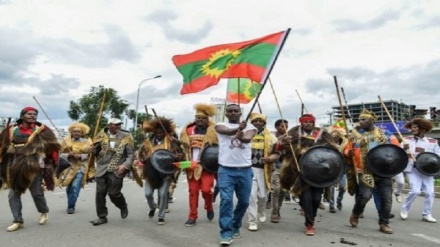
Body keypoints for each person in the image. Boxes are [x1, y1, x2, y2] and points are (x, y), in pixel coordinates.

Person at [0, 106, 61, 232]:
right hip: (15, 167)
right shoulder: (11, 130)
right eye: (29, 114)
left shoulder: (42, 130)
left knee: (37, 193)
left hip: (34, 167)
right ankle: (18, 220)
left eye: (35, 114)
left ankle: (43, 211)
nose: (33, 116)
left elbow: (54, 146)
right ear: (22, 116)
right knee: (13, 195)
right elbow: (2, 146)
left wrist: (52, 162)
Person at [279, 113, 337, 236]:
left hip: (318, 172)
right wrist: (285, 142)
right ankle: (309, 224)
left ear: (313, 123)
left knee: (316, 199)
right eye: (306, 122)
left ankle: (311, 216)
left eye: (310, 122)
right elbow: (279, 146)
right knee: (306, 199)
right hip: (300, 170)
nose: (308, 124)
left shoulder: (322, 133)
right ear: (301, 122)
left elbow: (332, 148)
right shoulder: (293, 132)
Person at [345, 109, 397, 234]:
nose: (360, 121)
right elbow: (347, 149)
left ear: (372, 120)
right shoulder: (355, 135)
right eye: (360, 119)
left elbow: (395, 149)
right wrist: (348, 152)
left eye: (364, 119)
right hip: (366, 170)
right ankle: (356, 213)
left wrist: (402, 147)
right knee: (365, 196)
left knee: (387, 199)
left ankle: (384, 223)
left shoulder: (385, 133)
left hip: (383, 171)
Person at [215, 104, 257, 246]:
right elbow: (225, 131)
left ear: (240, 113)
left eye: (236, 111)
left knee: (244, 202)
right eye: (230, 111)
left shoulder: (250, 126)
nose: (233, 113)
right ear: (226, 114)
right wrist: (237, 129)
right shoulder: (220, 125)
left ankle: (235, 223)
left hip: (245, 170)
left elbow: (247, 139)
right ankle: (226, 233)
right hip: (226, 170)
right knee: (226, 200)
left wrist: (241, 135)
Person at [89, 118, 134, 226]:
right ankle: (102, 216)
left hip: (117, 168)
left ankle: (122, 205)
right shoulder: (100, 135)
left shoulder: (126, 136)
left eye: (119, 124)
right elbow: (96, 151)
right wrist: (92, 150)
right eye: (116, 125)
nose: (118, 126)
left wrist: (125, 165)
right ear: (109, 125)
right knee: (100, 193)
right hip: (101, 168)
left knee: (114, 193)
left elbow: (131, 155)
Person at [138, 116, 182, 225]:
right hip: (150, 172)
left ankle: (161, 216)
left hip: (164, 173)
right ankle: (152, 207)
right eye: (157, 132)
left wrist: (178, 156)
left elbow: (179, 155)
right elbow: (141, 155)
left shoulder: (172, 141)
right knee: (148, 194)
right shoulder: (147, 142)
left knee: (163, 194)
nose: (159, 134)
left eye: (161, 132)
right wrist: (144, 158)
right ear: (154, 132)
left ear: (165, 132)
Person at [180, 103, 218, 227]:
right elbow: (183, 146)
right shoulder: (188, 130)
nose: (199, 120)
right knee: (193, 191)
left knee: (207, 190)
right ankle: (192, 216)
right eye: (198, 117)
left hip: (207, 166)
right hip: (192, 165)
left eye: (202, 118)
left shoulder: (214, 131)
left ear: (208, 119)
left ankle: (208, 206)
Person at [400, 118, 440, 223]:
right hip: (413, 169)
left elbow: (438, 156)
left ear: (422, 129)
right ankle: (405, 208)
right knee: (415, 191)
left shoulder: (433, 141)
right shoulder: (406, 140)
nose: (412, 129)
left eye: (415, 127)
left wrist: (429, 160)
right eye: (412, 127)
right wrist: (403, 148)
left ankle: (427, 214)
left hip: (427, 171)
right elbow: (399, 154)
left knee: (430, 193)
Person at [246, 113, 278, 231]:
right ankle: (252, 221)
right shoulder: (246, 135)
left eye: (260, 121)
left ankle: (261, 210)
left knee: (262, 196)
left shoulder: (272, 138)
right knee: (251, 196)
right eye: (255, 121)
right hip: (248, 169)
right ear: (252, 122)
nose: (258, 123)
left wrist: (271, 158)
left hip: (264, 170)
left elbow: (277, 152)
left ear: (264, 123)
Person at [58, 122, 93, 214]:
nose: (76, 133)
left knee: (75, 186)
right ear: (71, 132)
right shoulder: (66, 141)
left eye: (78, 131)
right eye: (74, 131)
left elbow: (91, 155)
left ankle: (71, 206)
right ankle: (71, 202)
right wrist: (68, 155)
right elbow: (60, 154)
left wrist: (80, 156)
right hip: (68, 168)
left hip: (80, 168)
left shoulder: (87, 142)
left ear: (82, 133)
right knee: (69, 187)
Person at [270, 119, 288, 223]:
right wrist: (282, 138)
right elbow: (272, 145)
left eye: (286, 126)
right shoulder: (272, 137)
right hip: (275, 166)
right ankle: (274, 212)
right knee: (276, 190)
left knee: (283, 191)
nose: (284, 128)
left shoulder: (291, 137)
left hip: (286, 168)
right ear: (276, 127)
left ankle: (278, 209)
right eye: (282, 126)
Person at [327, 125, 348, 213]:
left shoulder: (346, 144)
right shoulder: (328, 144)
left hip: (342, 168)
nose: (335, 137)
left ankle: (339, 200)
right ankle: (331, 205)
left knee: (343, 187)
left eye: (337, 136)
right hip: (331, 169)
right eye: (334, 136)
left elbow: (347, 155)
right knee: (331, 188)